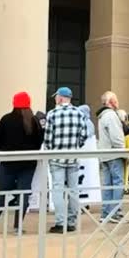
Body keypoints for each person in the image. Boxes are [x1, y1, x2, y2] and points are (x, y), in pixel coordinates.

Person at [0, 92, 43, 233]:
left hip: (8, 162)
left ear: (14, 103)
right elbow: (39, 142)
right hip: (28, 163)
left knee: (2, 193)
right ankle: (17, 226)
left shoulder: (6, 119)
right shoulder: (34, 121)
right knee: (24, 193)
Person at [44, 87, 89, 234]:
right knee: (73, 190)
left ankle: (60, 222)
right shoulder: (79, 114)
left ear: (61, 98)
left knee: (58, 190)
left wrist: (51, 150)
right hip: (73, 157)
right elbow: (84, 135)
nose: (55, 99)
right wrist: (76, 146)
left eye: (56, 96)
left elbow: (48, 139)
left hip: (57, 157)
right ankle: (71, 221)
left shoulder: (52, 114)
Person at [97, 91, 126, 222]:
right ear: (111, 102)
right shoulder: (111, 116)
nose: (117, 102)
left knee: (107, 184)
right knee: (117, 183)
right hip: (114, 154)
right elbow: (117, 137)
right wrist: (124, 152)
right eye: (116, 99)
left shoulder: (102, 116)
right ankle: (115, 212)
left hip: (105, 154)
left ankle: (106, 212)